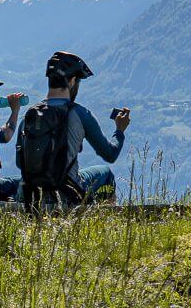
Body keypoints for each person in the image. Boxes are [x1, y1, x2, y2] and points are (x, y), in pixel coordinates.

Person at [16, 51, 131, 205]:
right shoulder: (80, 114)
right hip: (67, 192)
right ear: (71, 81)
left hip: (28, 195)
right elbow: (110, 154)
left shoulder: (29, 115)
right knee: (106, 174)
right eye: (78, 82)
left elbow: (19, 162)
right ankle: (104, 222)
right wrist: (119, 131)